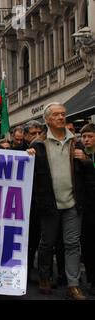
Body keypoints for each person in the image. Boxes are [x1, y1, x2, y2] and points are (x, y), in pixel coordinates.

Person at [31, 102, 89, 300]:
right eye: (56, 115)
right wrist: (27, 157)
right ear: (47, 119)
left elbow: (88, 172)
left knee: (72, 244)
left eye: (63, 114)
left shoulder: (77, 143)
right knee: (47, 243)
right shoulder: (37, 145)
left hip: (73, 203)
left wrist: (85, 159)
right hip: (49, 204)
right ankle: (45, 277)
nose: (61, 117)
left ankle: (73, 285)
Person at [79, 123, 95, 295]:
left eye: (90, 136)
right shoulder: (79, 156)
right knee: (88, 247)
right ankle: (91, 280)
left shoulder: (87, 158)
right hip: (86, 210)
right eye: (84, 137)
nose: (86, 140)